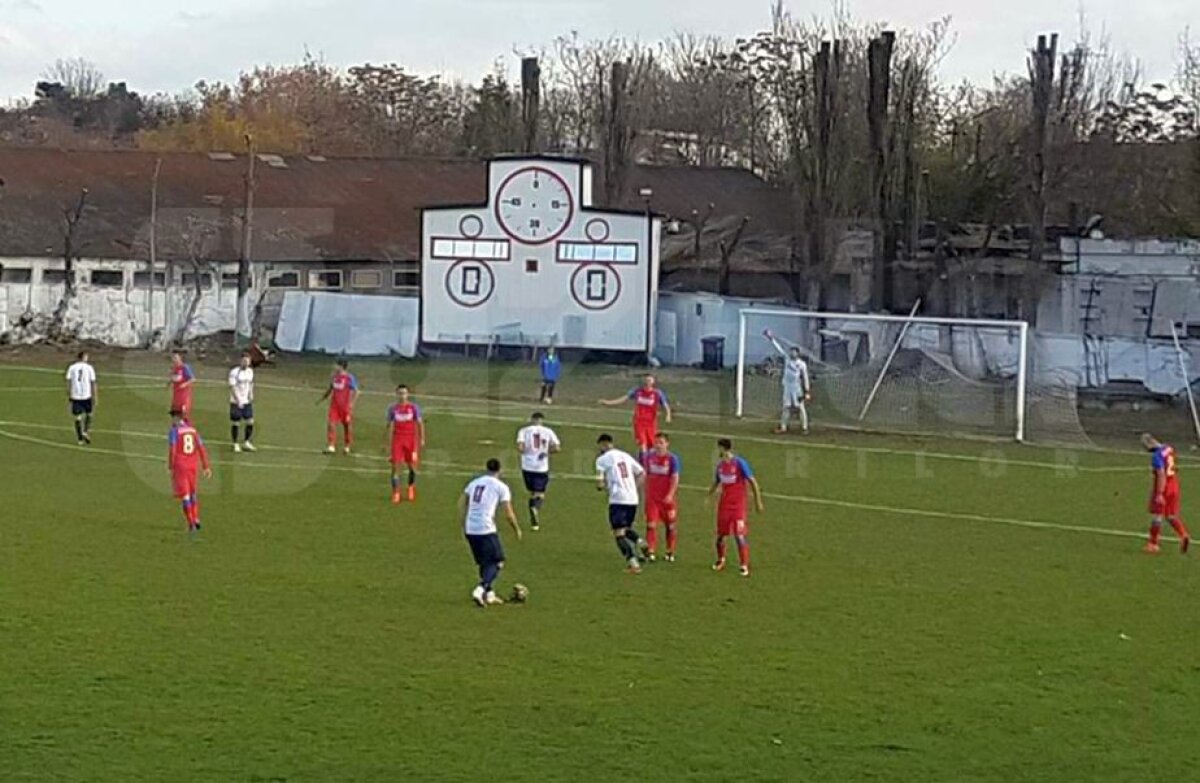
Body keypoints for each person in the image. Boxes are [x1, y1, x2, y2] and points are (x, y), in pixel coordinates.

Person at [459, 458, 522, 607]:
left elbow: (462, 502)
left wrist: (465, 522)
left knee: (484, 563)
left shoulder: (474, 483)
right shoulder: (501, 487)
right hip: (485, 528)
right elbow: (508, 513)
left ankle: (490, 594)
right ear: (500, 470)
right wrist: (517, 529)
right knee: (498, 561)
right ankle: (481, 589)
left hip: (470, 528)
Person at [707, 438, 764, 577]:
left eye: (719, 448)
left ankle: (744, 565)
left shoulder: (739, 463)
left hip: (738, 506)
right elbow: (716, 482)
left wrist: (758, 501)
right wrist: (709, 495)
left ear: (723, 449)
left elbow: (753, 482)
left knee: (739, 536)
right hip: (724, 506)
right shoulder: (720, 466)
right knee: (721, 536)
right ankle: (721, 559)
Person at [595, 433, 648, 573]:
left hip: (618, 499)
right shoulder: (625, 455)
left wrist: (602, 486)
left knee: (618, 533)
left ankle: (633, 564)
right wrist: (633, 487)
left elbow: (600, 483)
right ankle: (640, 542)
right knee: (626, 528)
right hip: (632, 498)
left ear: (603, 445)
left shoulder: (602, 459)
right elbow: (642, 473)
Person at [599, 374, 672, 461]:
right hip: (639, 422)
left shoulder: (657, 393)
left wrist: (668, 415)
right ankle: (644, 464)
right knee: (642, 443)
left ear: (653, 382)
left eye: (650, 380)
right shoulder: (637, 391)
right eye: (646, 380)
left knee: (651, 445)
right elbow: (624, 398)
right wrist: (608, 402)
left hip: (651, 423)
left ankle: (645, 461)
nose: (647, 382)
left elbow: (665, 405)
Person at [1142, 433, 1190, 554]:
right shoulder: (1168, 448)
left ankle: (1153, 544)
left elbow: (1161, 474)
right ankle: (1183, 534)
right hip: (1174, 484)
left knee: (1157, 516)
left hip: (1164, 486)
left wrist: (1159, 493)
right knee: (1170, 515)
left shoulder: (1156, 456)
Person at [167, 409, 212, 536]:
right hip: (193, 465)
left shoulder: (174, 431)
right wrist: (206, 466)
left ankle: (191, 523)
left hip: (181, 465)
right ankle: (196, 518)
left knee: (185, 495)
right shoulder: (193, 430)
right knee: (193, 492)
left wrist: (171, 466)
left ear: (177, 418)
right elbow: (201, 448)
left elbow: (173, 450)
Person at [516, 411, 561, 531]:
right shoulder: (548, 431)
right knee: (540, 494)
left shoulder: (524, 431)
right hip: (541, 467)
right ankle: (535, 508)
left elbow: (520, 447)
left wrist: (527, 452)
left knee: (532, 492)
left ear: (532, 419)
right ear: (541, 420)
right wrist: (545, 452)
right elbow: (557, 448)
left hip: (527, 466)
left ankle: (534, 519)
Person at [644, 433, 681, 562]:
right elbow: (645, 474)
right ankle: (651, 551)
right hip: (652, 498)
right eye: (656, 442)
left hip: (667, 500)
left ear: (667, 444)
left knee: (670, 526)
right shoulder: (649, 457)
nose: (658, 445)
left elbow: (675, 478)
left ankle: (670, 551)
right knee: (651, 525)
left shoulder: (672, 459)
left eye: (661, 442)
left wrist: (670, 495)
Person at [765, 330, 811, 434]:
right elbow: (779, 348)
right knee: (786, 407)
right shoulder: (787, 359)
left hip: (797, 388)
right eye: (791, 351)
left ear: (798, 353)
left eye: (794, 352)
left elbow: (805, 377)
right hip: (787, 387)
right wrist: (771, 338)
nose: (792, 353)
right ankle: (783, 427)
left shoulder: (802, 364)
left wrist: (807, 391)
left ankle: (804, 427)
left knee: (800, 408)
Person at [385, 384, 425, 503]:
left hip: (411, 441)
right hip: (397, 440)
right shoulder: (393, 409)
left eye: (404, 393)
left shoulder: (413, 408)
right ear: (396, 394)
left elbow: (420, 423)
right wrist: (386, 442)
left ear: (408, 394)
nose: (402, 396)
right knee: (395, 467)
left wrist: (422, 438)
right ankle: (396, 492)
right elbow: (388, 425)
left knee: (412, 467)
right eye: (400, 393)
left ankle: (411, 487)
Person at [319, 359, 359, 454]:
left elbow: (356, 391)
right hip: (334, 406)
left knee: (347, 426)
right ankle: (331, 445)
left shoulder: (349, 378)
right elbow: (331, 388)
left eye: (336, 365)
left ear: (341, 366)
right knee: (331, 424)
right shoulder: (334, 377)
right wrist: (324, 396)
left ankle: (347, 445)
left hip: (345, 407)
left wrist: (351, 404)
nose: (334, 367)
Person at [65, 350, 97, 445]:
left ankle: (80, 439)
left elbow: (68, 381)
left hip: (75, 395)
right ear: (83, 357)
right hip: (86, 395)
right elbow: (93, 382)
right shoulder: (89, 368)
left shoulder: (72, 367)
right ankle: (85, 431)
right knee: (89, 414)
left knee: (78, 417)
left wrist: (69, 393)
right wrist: (95, 395)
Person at [228, 352, 256, 453]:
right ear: (241, 361)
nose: (246, 363)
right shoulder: (234, 372)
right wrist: (238, 400)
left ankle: (246, 442)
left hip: (247, 401)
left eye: (248, 361)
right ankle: (235, 443)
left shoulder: (250, 372)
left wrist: (251, 394)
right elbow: (232, 387)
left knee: (250, 421)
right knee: (236, 423)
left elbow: (251, 383)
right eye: (244, 361)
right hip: (236, 402)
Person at [167, 352, 196, 419]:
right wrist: (169, 383)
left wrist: (185, 384)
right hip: (176, 392)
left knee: (183, 410)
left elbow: (192, 379)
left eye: (176, 358)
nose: (174, 360)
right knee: (175, 412)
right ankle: (176, 425)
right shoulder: (174, 368)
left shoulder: (185, 367)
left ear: (180, 358)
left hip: (184, 393)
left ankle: (185, 424)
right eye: (173, 358)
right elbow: (174, 377)